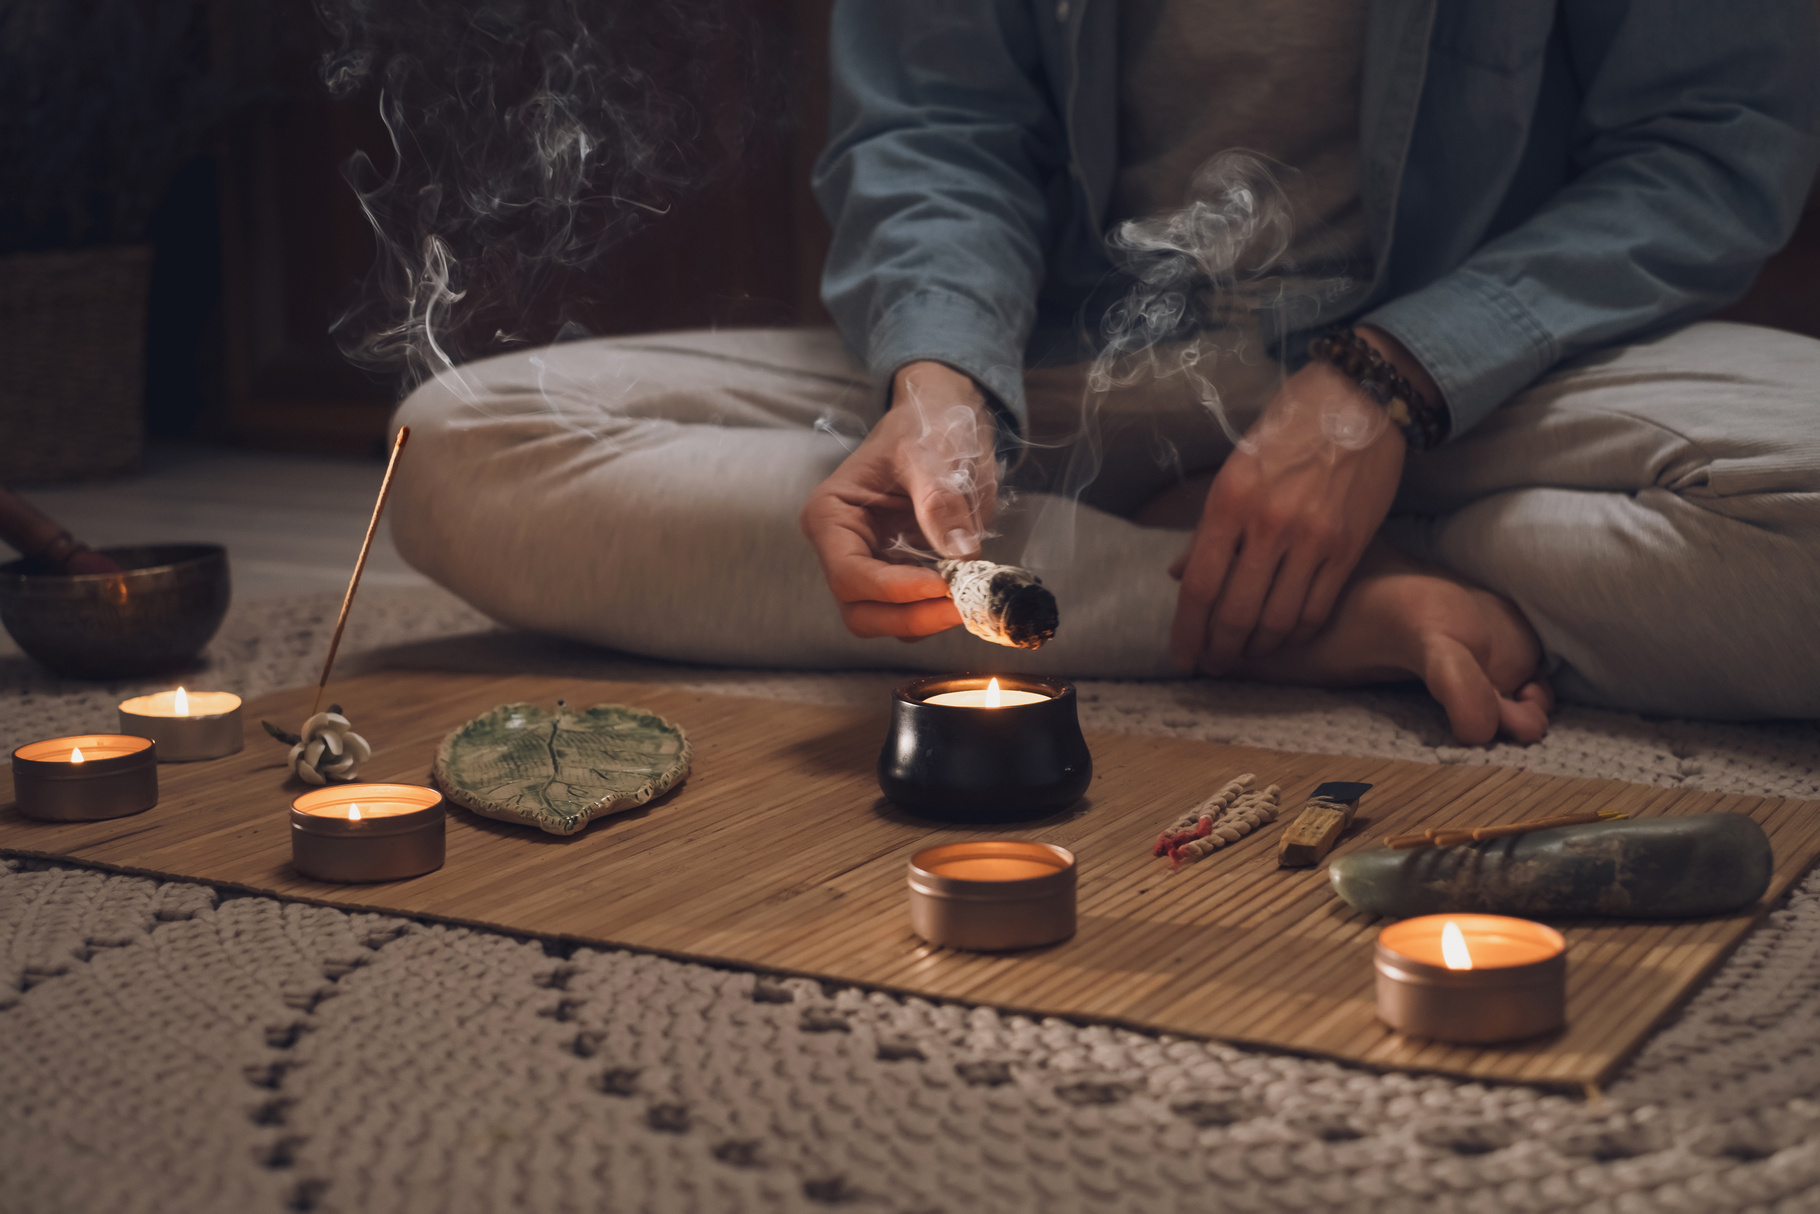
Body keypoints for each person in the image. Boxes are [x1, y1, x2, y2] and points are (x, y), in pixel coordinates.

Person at [389, 0, 1820, 744]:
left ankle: (1292, 546)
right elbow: (933, 124)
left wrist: (1385, 379)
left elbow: (1712, 147)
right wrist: (940, 383)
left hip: (1456, 379)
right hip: (1062, 370)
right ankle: (1324, 605)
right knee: (463, 446)